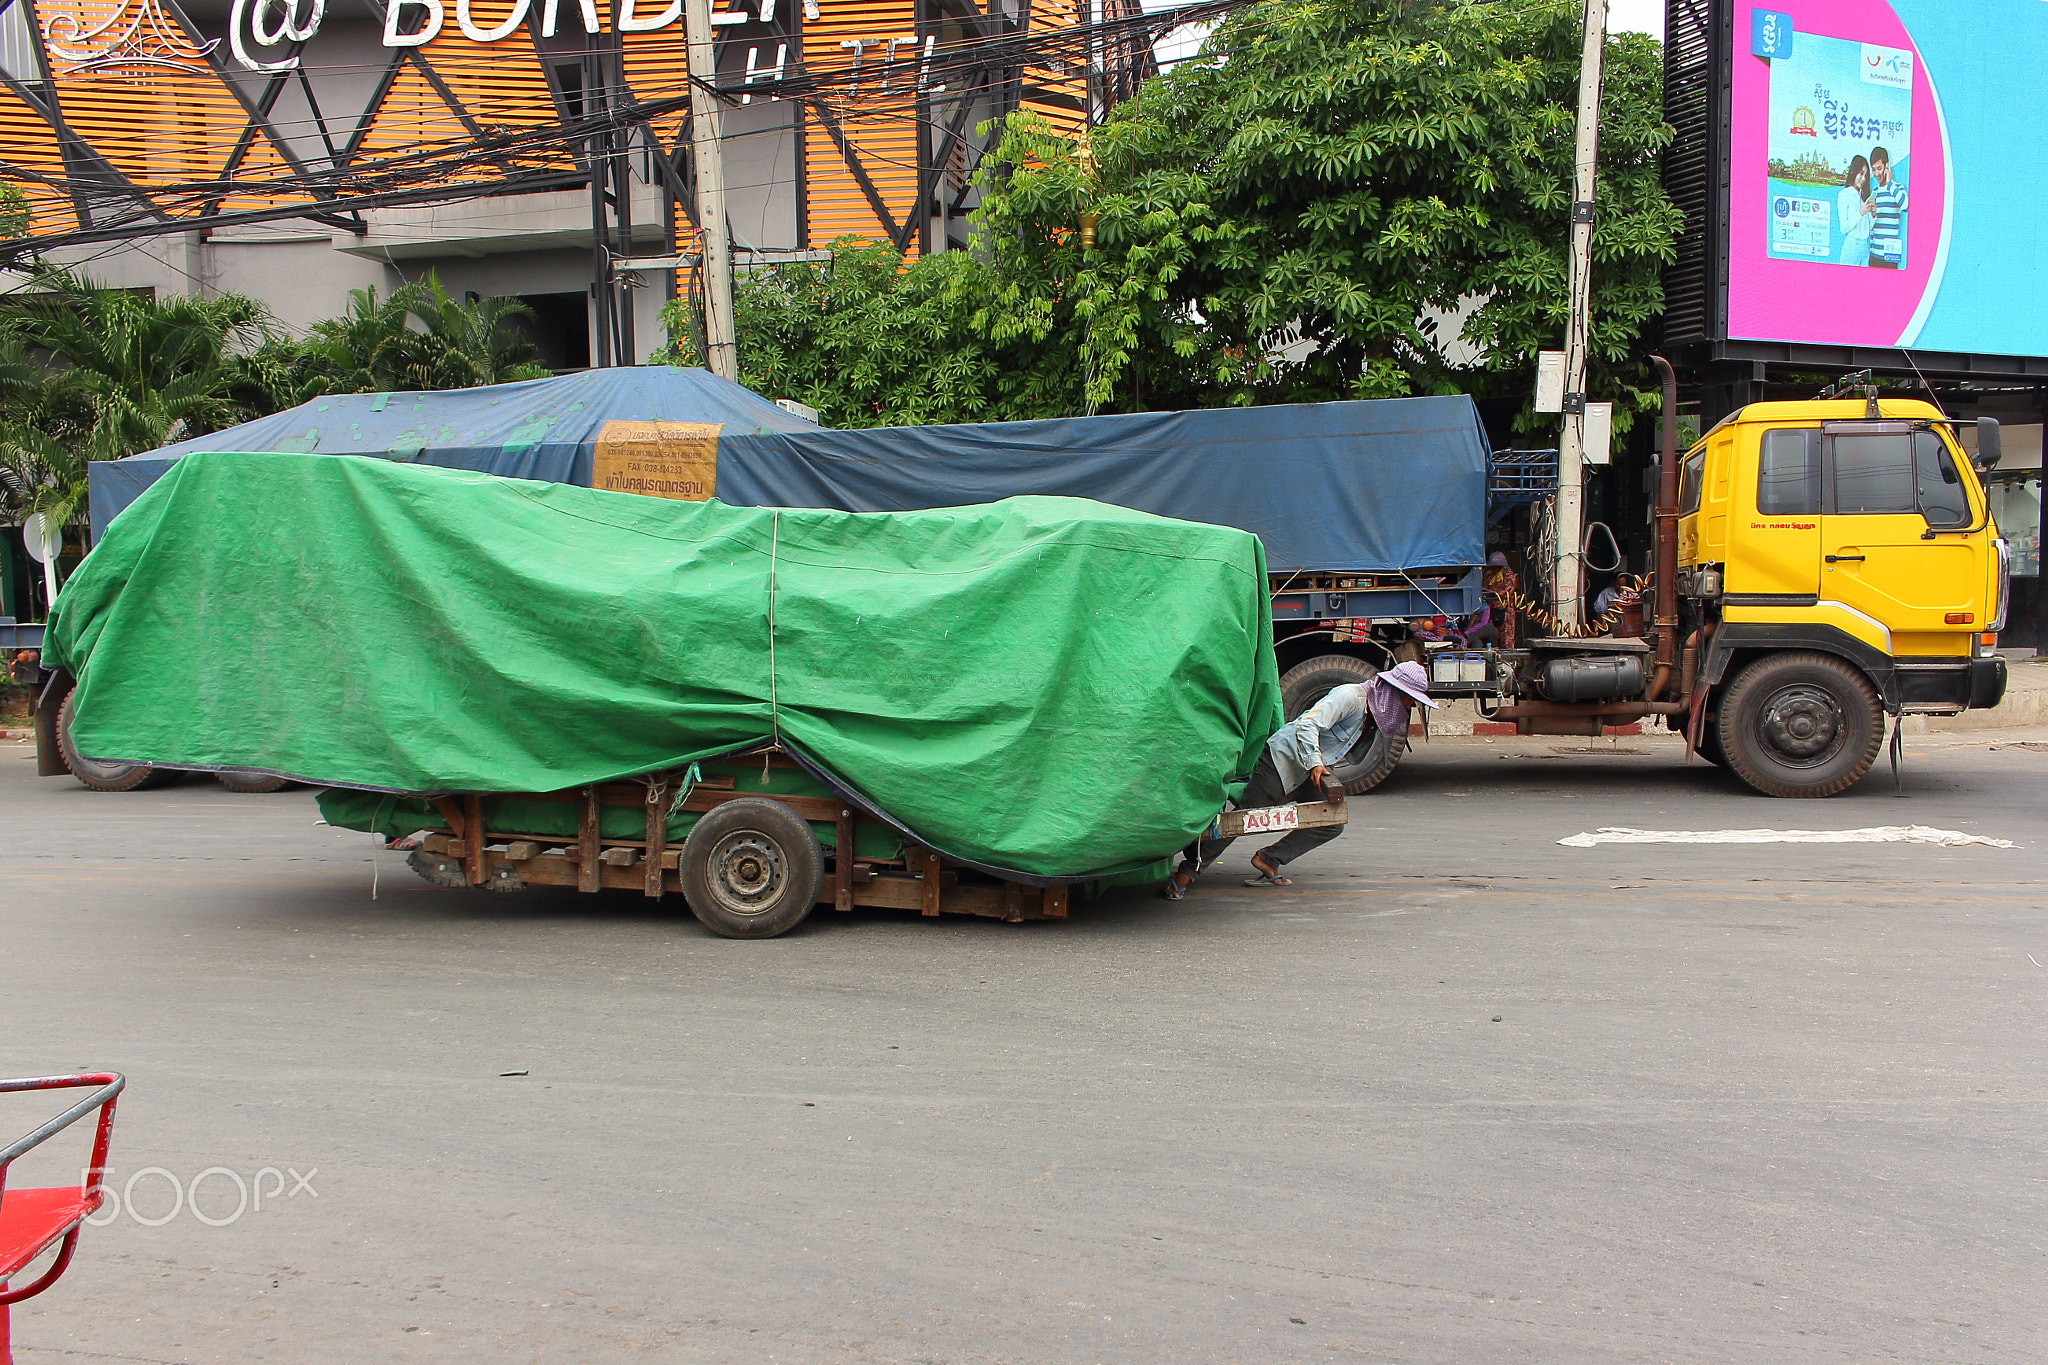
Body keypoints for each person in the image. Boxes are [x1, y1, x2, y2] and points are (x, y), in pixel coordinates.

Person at [1162, 660, 1440, 897]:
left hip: (1310, 770)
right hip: (1284, 759)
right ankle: (1187, 873)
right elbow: (1308, 725)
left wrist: (1318, 767)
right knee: (1246, 819)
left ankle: (1268, 859)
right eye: (1408, 698)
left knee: (1331, 821)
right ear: (1392, 691)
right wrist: (1316, 764)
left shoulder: (1372, 712)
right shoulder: (1351, 697)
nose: (1409, 705)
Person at [1867, 146, 1906, 269]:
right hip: (1874, 255)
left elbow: (1906, 206)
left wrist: (1889, 184)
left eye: (1879, 168)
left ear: (1887, 166)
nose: (1876, 173)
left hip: (1890, 255)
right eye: (1873, 169)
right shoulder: (1874, 193)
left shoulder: (1897, 188)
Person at [1837, 155, 1875, 266]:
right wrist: (1860, 213)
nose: (1863, 179)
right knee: (1847, 281)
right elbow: (1843, 228)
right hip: (1852, 245)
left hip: (1866, 245)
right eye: (1861, 173)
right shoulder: (1844, 194)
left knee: (1863, 282)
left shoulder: (1863, 196)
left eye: (1866, 175)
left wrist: (1873, 214)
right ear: (1854, 172)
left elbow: (1868, 228)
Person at [1482, 551, 1519, 649]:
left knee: (1506, 636)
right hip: (1491, 610)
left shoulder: (1508, 575)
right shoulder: (1489, 576)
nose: (1494, 568)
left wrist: (1491, 592)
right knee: (1493, 636)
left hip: (1505, 610)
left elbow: (1504, 590)